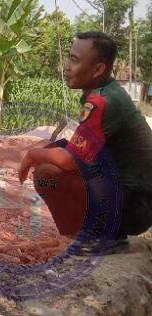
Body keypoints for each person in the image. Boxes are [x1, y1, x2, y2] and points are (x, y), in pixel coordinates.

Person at [19, 31, 152, 251]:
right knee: (53, 153)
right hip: (134, 197)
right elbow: (81, 148)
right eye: (69, 57)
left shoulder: (103, 101)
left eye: (74, 60)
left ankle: (105, 238)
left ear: (98, 69)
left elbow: (69, 160)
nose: (67, 66)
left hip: (135, 204)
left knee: (47, 174)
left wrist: (32, 154)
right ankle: (88, 234)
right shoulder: (105, 92)